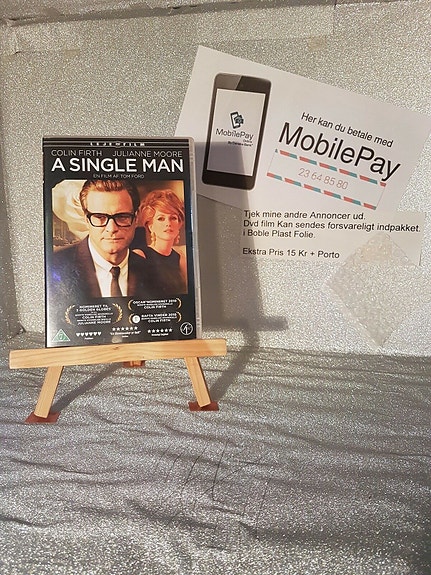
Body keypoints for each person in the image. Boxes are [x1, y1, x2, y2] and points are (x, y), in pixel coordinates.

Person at [50, 179, 159, 302]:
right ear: (86, 220)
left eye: (122, 217)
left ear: (136, 218)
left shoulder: (154, 272)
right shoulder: (55, 265)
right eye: (100, 217)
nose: (111, 229)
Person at [139, 189, 187, 295]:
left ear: (179, 224)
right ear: (150, 226)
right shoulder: (140, 255)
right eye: (161, 218)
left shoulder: (181, 258)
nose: (168, 223)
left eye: (173, 218)